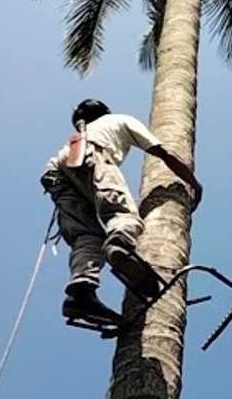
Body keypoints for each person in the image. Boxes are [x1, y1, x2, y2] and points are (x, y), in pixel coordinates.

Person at [40, 99, 202, 325]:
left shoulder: (81, 134)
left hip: (56, 175)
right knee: (122, 214)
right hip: (92, 156)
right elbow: (161, 152)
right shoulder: (120, 120)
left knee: (88, 237)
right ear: (105, 111)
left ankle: (81, 293)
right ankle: (120, 245)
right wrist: (192, 181)